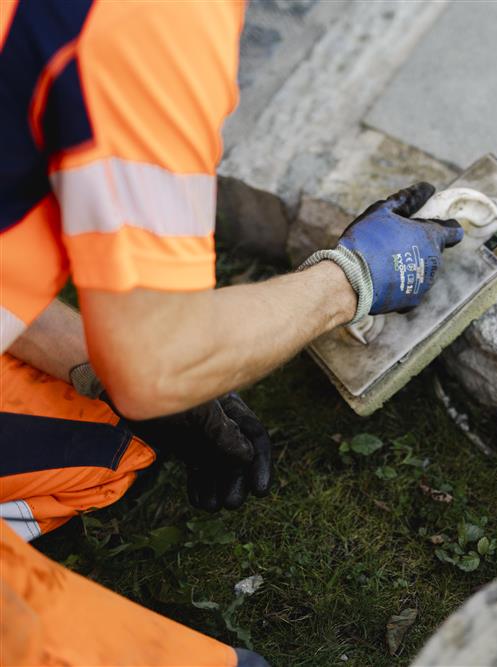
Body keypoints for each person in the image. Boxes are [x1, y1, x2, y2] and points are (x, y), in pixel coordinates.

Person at [0, 1, 462, 665]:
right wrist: (352, 280)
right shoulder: (144, 20)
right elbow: (157, 362)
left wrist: (95, 367)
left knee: (99, 448)